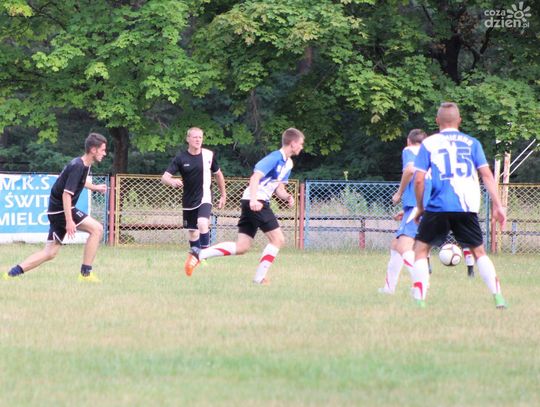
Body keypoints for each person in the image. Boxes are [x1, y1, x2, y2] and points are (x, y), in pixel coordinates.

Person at [411, 102, 507, 308]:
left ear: (437, 121)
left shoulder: (429, 144)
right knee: (479, 252)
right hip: (466, 207)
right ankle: (498, 296)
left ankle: (419, 300)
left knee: (420, 250)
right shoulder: (472, 143)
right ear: (459, 121)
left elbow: (418, 180)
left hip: (438, 206)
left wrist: (420, 207)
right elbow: (487, 175)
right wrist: (498, 205)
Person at [184, 127, 304, 284]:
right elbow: (255, 178)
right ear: (293, 143)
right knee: (278, 239)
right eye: (301, 143)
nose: (302, 146)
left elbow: (279, 188)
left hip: (254, 201)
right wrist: (254, 200)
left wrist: (287, 196)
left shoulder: (289, 164)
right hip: (256, 202)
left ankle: (199, 254)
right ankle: (259, 278)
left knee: (242, 247)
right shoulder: (274, 157)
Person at [4, 133, 108, 282]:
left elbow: (79, 181)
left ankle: (12, 273)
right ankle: (85, 274)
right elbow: (66, 194)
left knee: (50, 252)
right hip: (61, 210)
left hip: (56, 210)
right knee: (97, 229)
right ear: (93, 150)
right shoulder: (78, 166)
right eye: (102, 150)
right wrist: (69, 221)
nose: (105, 153)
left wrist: (95, 187)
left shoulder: (83, 164)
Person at [379, 129, 431, 294]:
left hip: (417, 205)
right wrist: (407, 209)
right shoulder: (430, 155)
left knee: (404, 246)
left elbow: (409, 170)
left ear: (408, 141)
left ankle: (421, 282)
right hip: (425, 205)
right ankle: (389, 288)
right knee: (396, 245)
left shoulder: (410, 150)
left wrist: (399, 193)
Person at [161, 127, 226, 251]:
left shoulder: (208, 155)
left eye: (200, 137)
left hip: (205, 196)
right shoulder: (181, 158)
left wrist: (223, 195)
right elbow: (164, 178)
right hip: (189, 199)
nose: (198, 140)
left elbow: (218, 174)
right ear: (188, 139)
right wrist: (172, 181)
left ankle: (205, 254)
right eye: (195, 137)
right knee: (193, 232)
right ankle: (196, 256)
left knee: (202, 222)